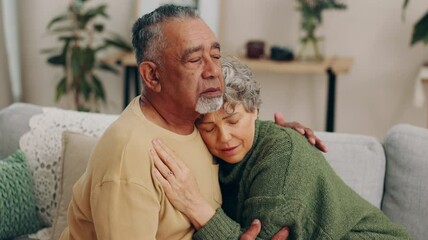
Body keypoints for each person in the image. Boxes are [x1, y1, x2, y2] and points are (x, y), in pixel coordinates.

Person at [60, 5, 322, 240]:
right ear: (152, 75)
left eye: (216, 56)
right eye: (195, 60)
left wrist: (276, 136)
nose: (212, 71)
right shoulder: (129, 157)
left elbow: (235, 129)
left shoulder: (196, 121)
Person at [150, 56, 411, 239]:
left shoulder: (280, 161)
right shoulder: (206, 152)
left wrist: (196, 206)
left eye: (233, 120)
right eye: (208, 128)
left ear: (255, 111)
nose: (224, 137)